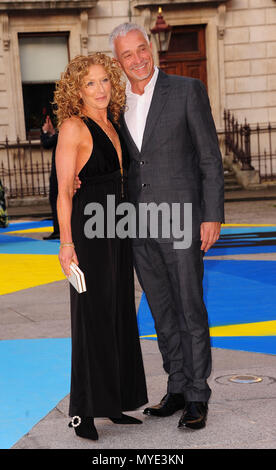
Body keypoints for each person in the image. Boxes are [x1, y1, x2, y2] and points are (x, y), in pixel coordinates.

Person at [107, 23, 225, 431]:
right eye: (127, 55)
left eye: (142, 49)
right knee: (160, 310)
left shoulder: (187, 90)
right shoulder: (116, 103)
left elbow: (210, 158)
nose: (137, 59)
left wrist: (212, 215)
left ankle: (197, 394)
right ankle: (176, 386)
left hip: (182, 220)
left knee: (190, 307)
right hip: (137, 225)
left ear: (151, 48)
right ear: (119, 62)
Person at [54, 53, 148, 441]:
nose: (99, 89)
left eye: (104, 81)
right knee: (91, 317)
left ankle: (115, 402)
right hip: (88, 232)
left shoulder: (112, 123)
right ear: (77, 90)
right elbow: (63, 191)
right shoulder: (73, 127)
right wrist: (65, 243)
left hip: (117, 227)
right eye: (89, 83)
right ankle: (84, 413)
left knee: (119, 312)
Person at [40, 115, 60, 239]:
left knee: (56, 199)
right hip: (61, 170)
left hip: (59, 172)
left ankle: (59, 230)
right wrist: (52, 132)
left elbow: (47, 144)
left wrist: (45, 131)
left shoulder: (66, 128)